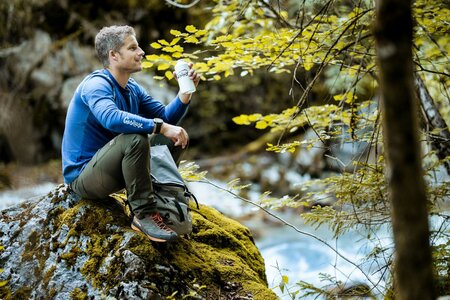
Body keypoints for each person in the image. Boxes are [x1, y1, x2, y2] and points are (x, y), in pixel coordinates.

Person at [61, 25, 200, 242]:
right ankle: (143, 214)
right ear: (114, 55)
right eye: (133, 48)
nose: (141, 52)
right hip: (84, 178)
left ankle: (162, 203)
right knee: (135, 139)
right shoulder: (96, 85)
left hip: (114, 167)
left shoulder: (132, 88)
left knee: (175, 137)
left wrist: (184, 94)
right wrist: (161, 126)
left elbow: (165, 117)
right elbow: (111, 118)